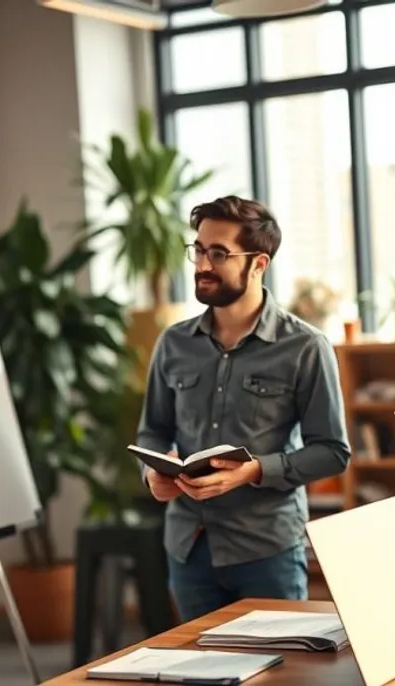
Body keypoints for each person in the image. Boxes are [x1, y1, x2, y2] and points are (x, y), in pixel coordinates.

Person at [134, 195, 351, 622]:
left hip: (266, 550)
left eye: (218, 253)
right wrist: (152, 472)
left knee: (282, 674)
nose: (201, 265)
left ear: (258, 264)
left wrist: (253, 471)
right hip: (188, 547)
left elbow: (332, 451)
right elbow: (152, 431)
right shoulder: (173, 343)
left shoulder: (305, 347)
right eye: (198, 249)